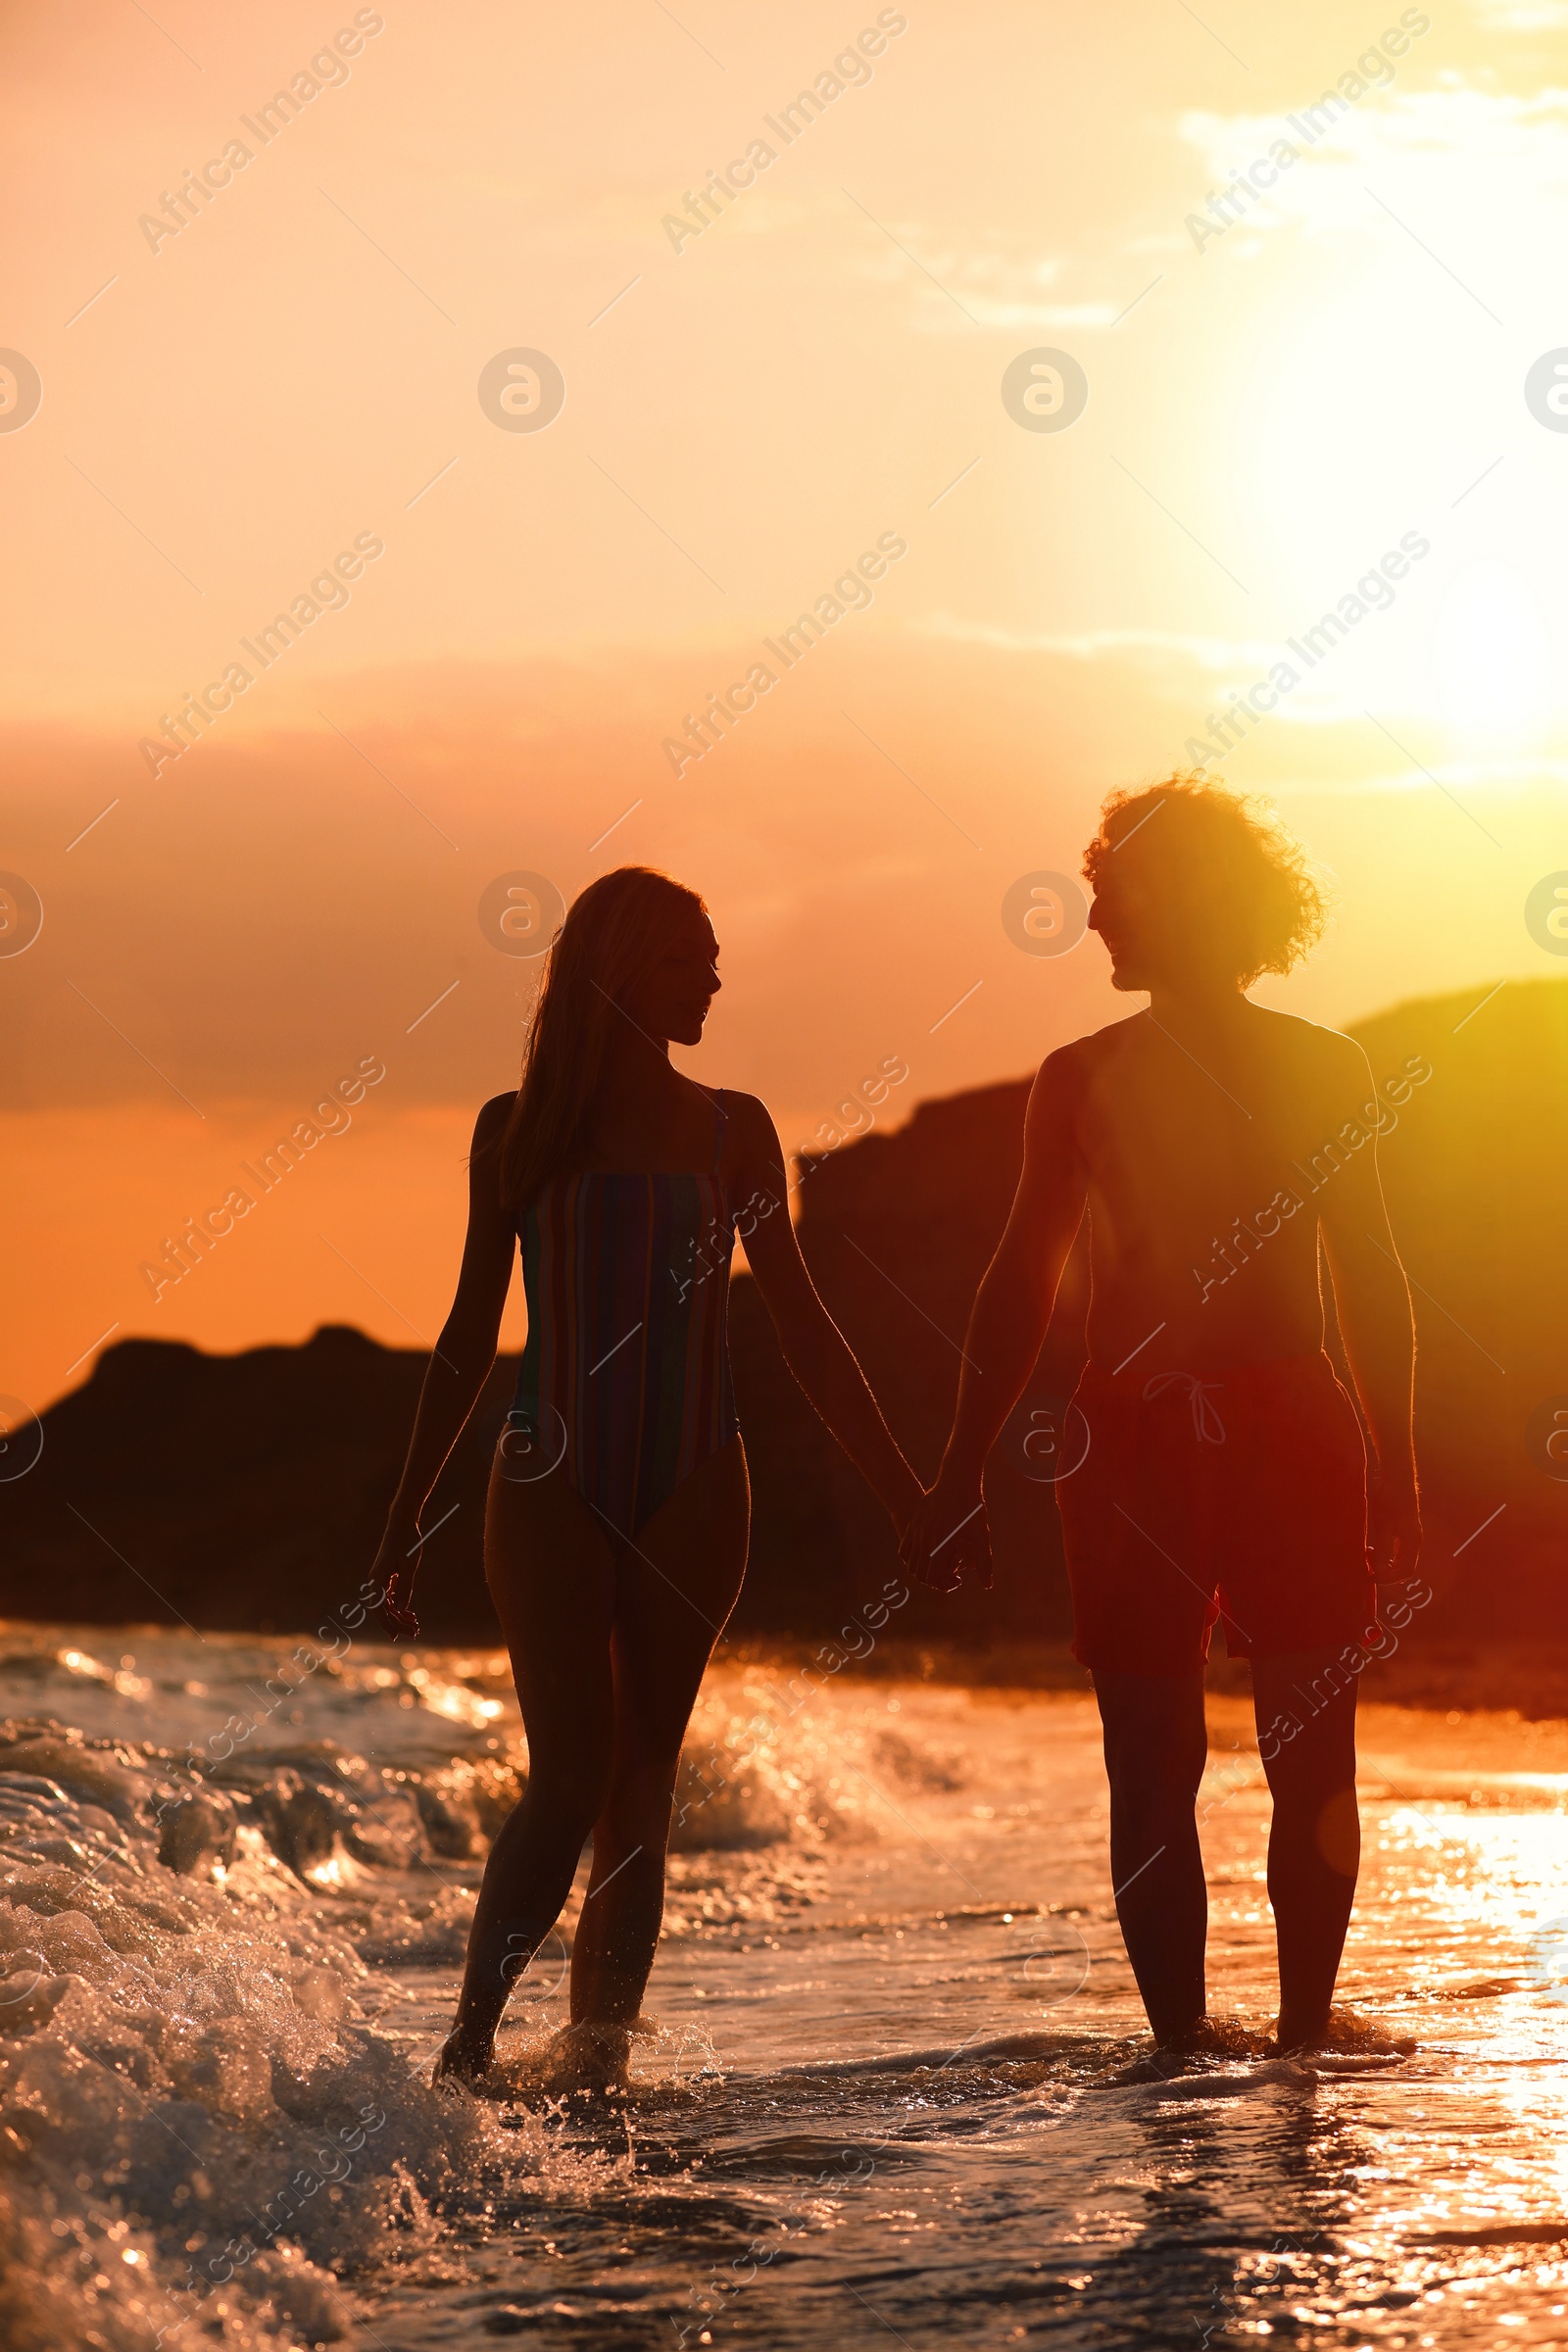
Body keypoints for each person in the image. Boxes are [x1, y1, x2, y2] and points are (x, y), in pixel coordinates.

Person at [370, 865, 921, 2092]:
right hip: (547, 1470)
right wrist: (402, 1520)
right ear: (619, 971)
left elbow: (806, 1330)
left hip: (692, 1473)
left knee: (639, 1786)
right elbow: (469, 1332)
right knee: (568, 1773)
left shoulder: (736, 1130)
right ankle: (462, 2060)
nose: (717, 978)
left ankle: (593, 2070)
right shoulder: (515, 1129)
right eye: (690, 958)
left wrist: (906, 1496)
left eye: (716, 956)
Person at [902, 777, 1421, 2068]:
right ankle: (1199, 2051)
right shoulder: (1083, 1078)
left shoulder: (1316, 1064)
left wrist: (1398, 1478)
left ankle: (1277, 2049)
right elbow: (1020, 1282)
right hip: (1141, 1439)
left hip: (1283, 1432)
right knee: (1170, 1765)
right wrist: (957, 1470)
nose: (1092, 922)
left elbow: (1373, 1275)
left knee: (1289, 1764)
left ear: (1173, 898)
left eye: (1109, 893)